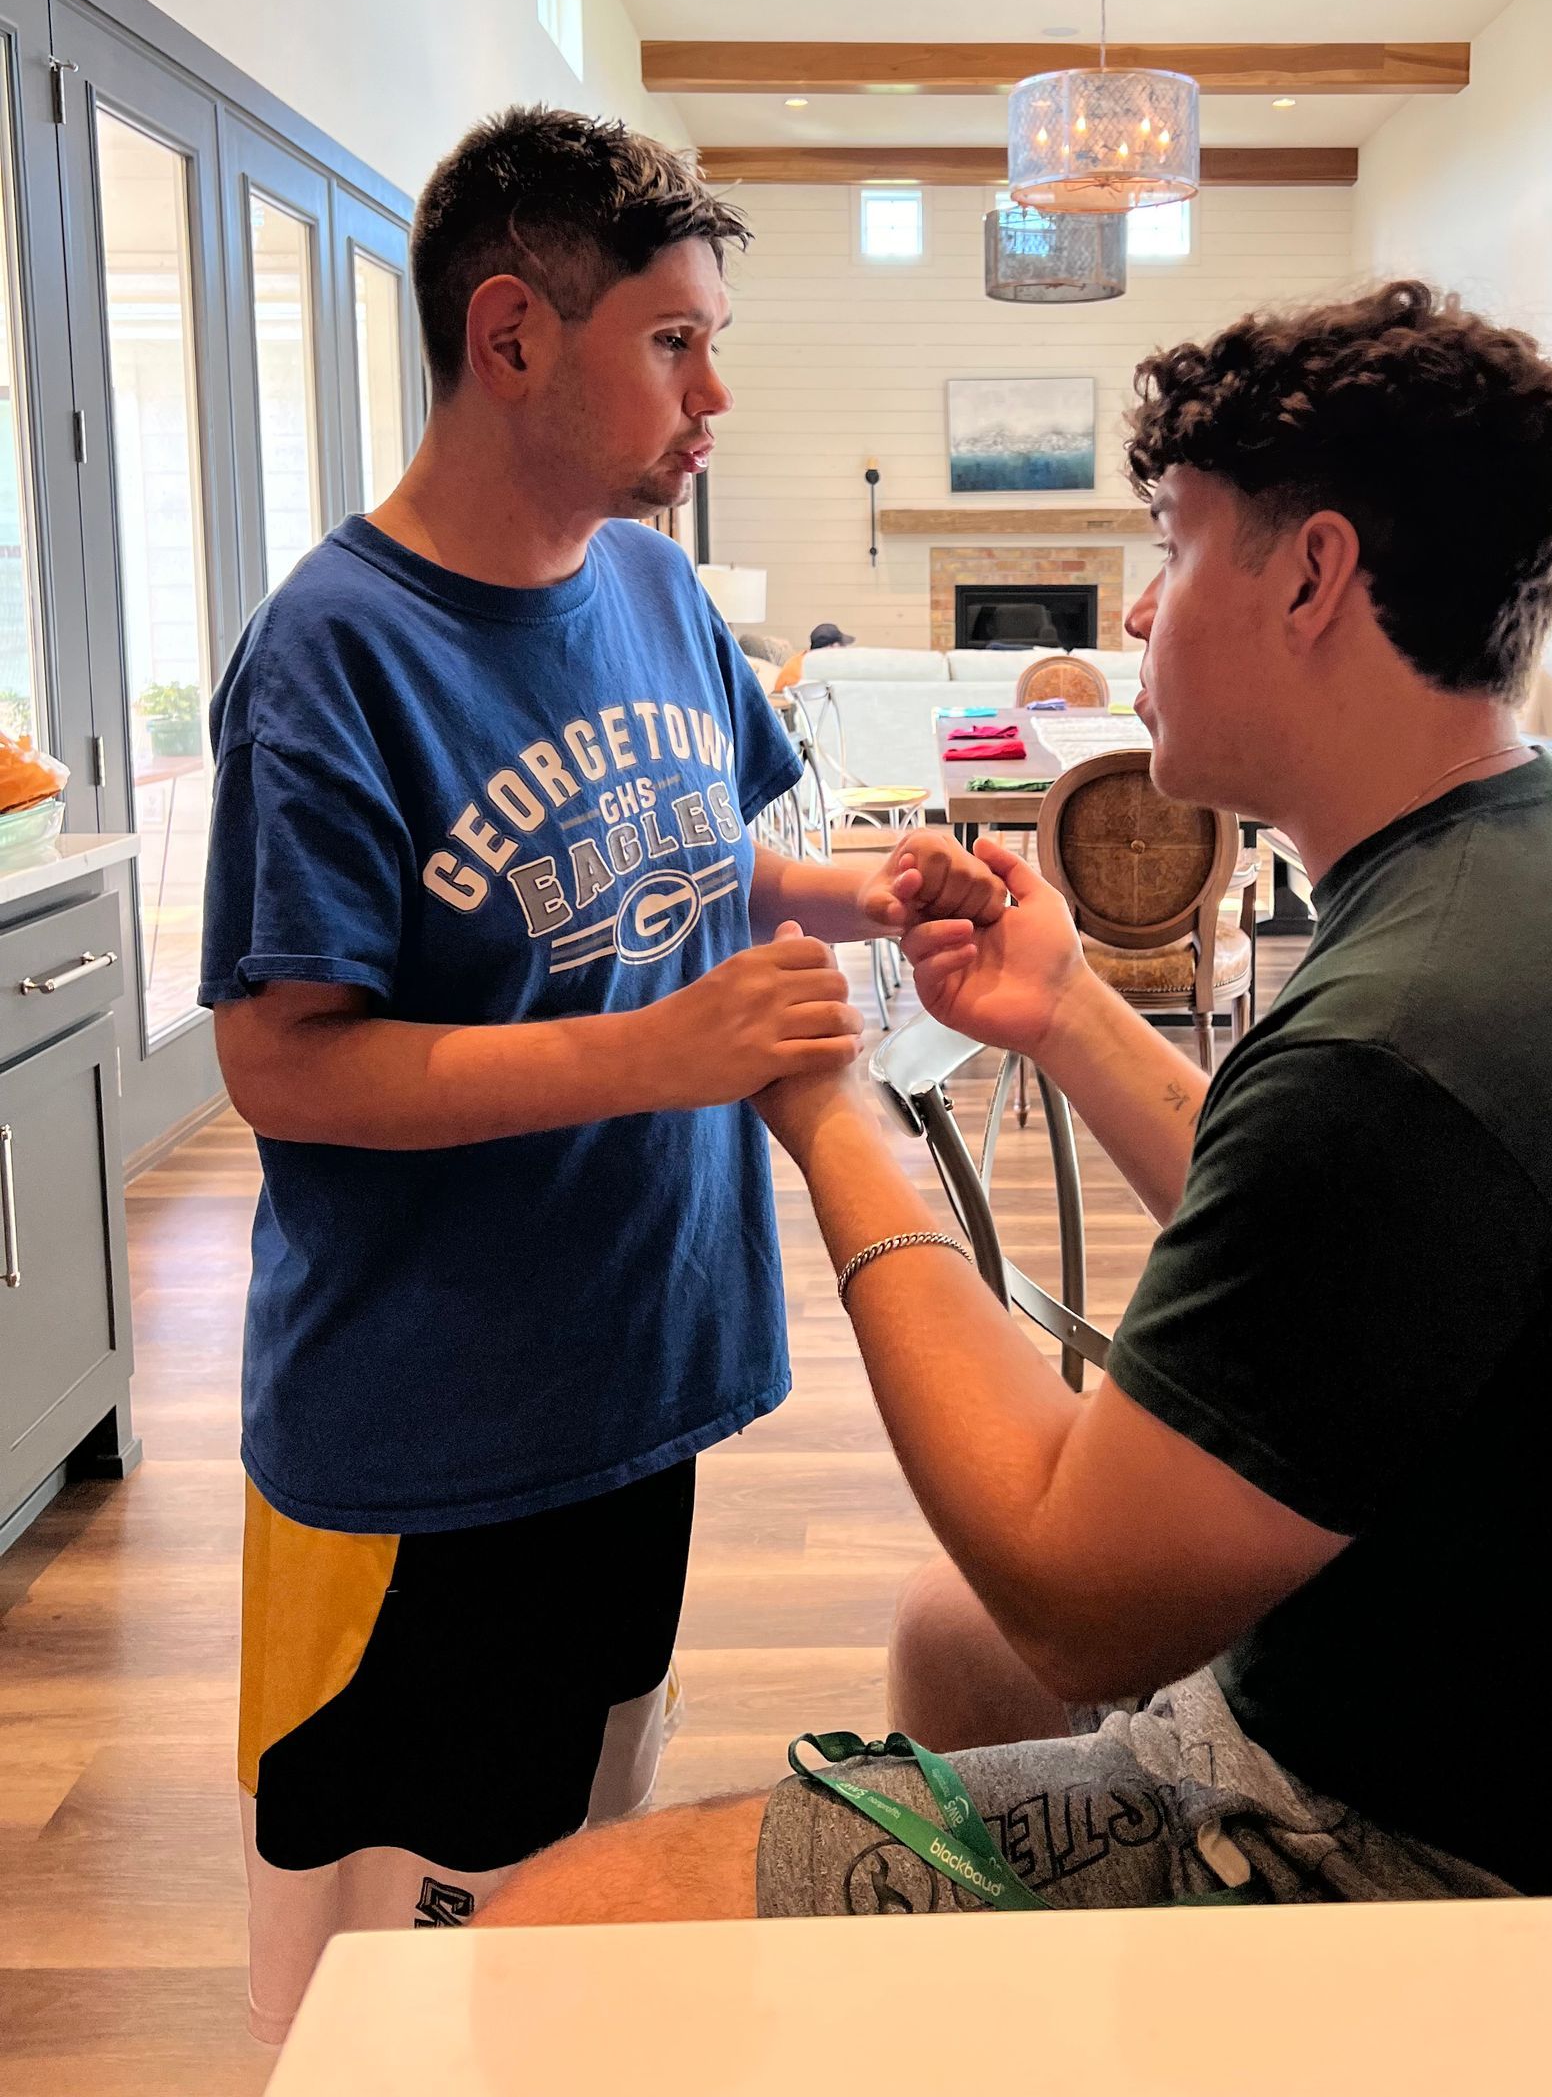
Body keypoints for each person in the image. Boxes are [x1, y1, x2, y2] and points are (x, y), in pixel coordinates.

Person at [477, 279, 1552, 1932]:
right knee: (945, 1643)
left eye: (1176, 548)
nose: (1132, 613)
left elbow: (1071, 1592)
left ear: (1313, 576)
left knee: (564, 1917)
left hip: (1470, 1873)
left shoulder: (1406, 1040)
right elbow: (1347, 1251)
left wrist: (831, 1108)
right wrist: (1064, 1009)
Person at [200, 107, 1003, 2036]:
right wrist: (654, 1051)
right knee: (400, 1944)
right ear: (511, 337)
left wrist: (860, 890)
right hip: (423, 1438)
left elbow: (693, 856)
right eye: (672, 342)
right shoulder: (332, 653)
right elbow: (284, 1066)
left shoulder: (654, 592)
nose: (715, 393)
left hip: (642, 1365)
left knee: (573, 1848)